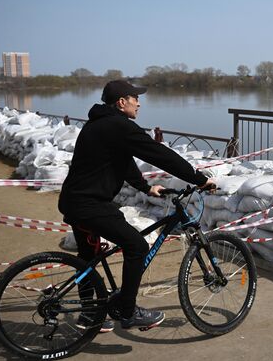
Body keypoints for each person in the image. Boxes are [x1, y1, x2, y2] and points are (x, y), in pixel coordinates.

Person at [59, 80, 215, 332]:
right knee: (137, 246)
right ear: (122, 102)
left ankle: (89, 315)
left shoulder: (98, 124)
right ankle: (129, 312)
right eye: (135, 98)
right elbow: (159, 154)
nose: (139, 103)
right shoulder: (119, 125)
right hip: (90, 204)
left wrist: (145, 187)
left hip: (75, 201)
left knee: (88, 257)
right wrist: (199, 179)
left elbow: (122, 160)